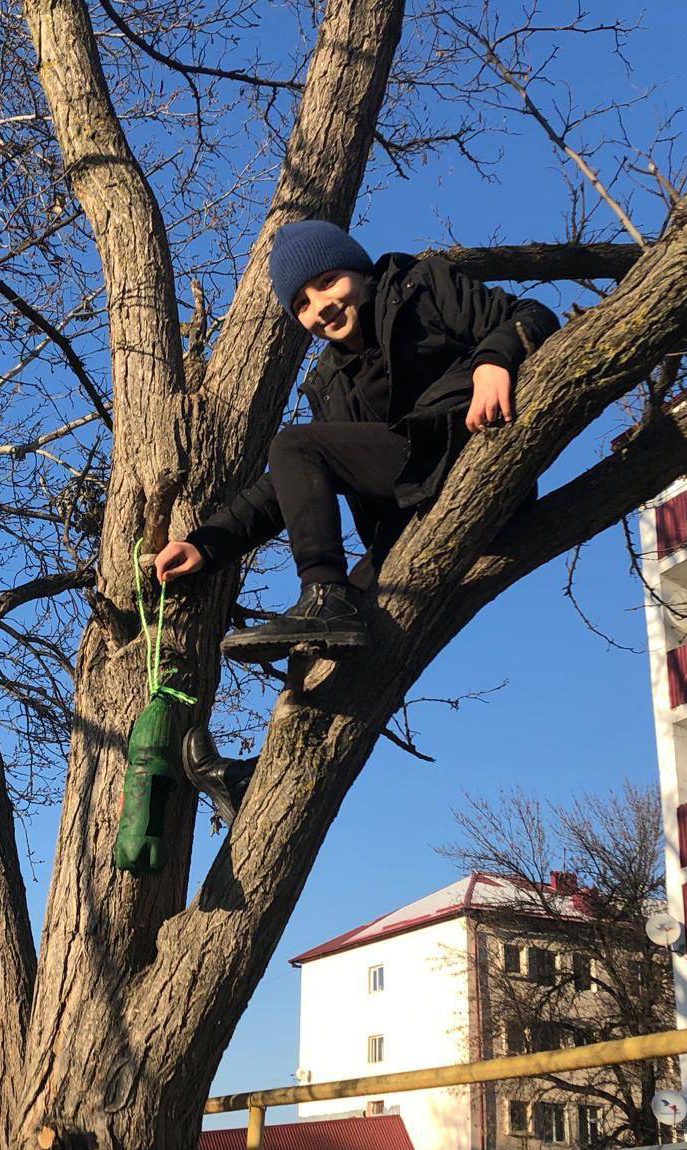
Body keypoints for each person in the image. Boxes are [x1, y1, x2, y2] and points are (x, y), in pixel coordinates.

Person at [156, 219, 559, 818]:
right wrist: (206, 544)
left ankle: (324, 590)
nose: (320, 307)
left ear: (360, 270)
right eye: (302, 303)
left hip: (456, 450)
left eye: (327, 282)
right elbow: (286, 486)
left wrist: (493, 362)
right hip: (409, 514)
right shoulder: (329, 380)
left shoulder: (423, 285)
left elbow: (533, 313)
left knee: (294, 448)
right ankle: (258, 780)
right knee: (316, 653)